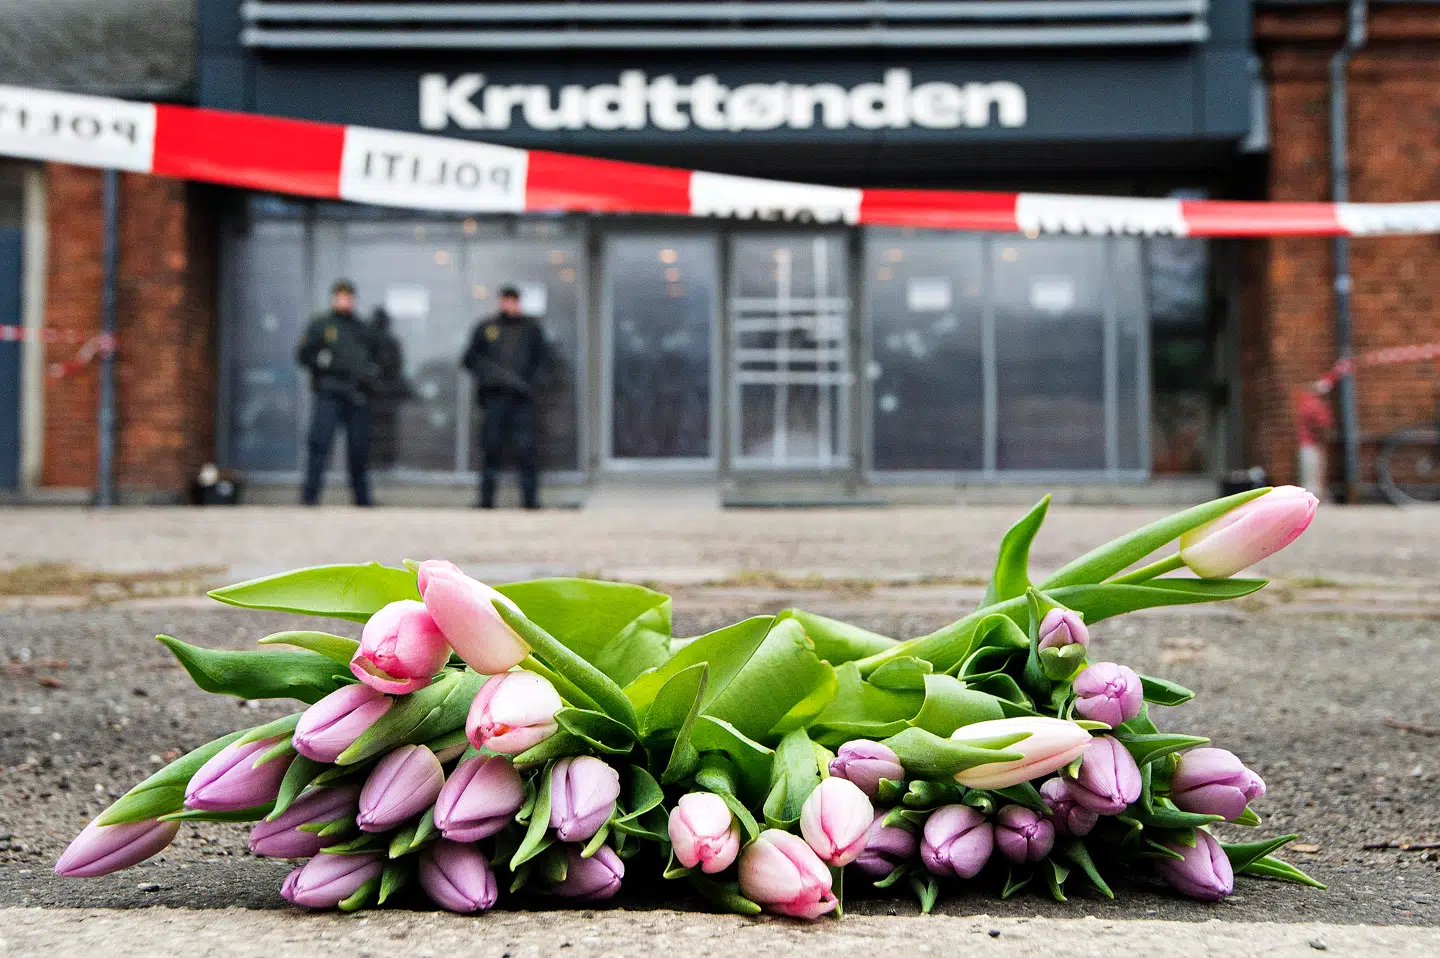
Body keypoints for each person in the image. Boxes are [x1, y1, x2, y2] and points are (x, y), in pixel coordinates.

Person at [462, 286, 550, 509]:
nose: (510, 305)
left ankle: (530, 501)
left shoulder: (531, 330)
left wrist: (532, 384)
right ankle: (486, 500)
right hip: (494, 398)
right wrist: (490, 376)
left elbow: (544, 362)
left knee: (526, 449)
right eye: (506, 300)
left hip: (522, 400)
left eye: (514, 301)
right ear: (500, 302)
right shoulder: (486, 327)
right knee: (491, 448)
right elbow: (470, 359)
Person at [295, 280, 380, 506]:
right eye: (341, 296)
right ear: (334, 298)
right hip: (329, 393)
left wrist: (369, 376)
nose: (345, 300)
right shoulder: (321, 325)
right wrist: (323, 361)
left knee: (358, 448)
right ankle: (310, 498)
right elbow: (303, 355)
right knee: (319, 444)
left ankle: (362, 500)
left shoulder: (362, 328)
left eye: (349, 297)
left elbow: (376, 360)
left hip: (356, 395)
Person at [367, 307, 411, 470]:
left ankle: (378, 462)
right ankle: (384, 462)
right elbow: (397, 365)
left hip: (376, 393)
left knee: (376, 431)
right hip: (384, 394)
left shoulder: (369, 339)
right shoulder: (389, 341)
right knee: (385, 431)